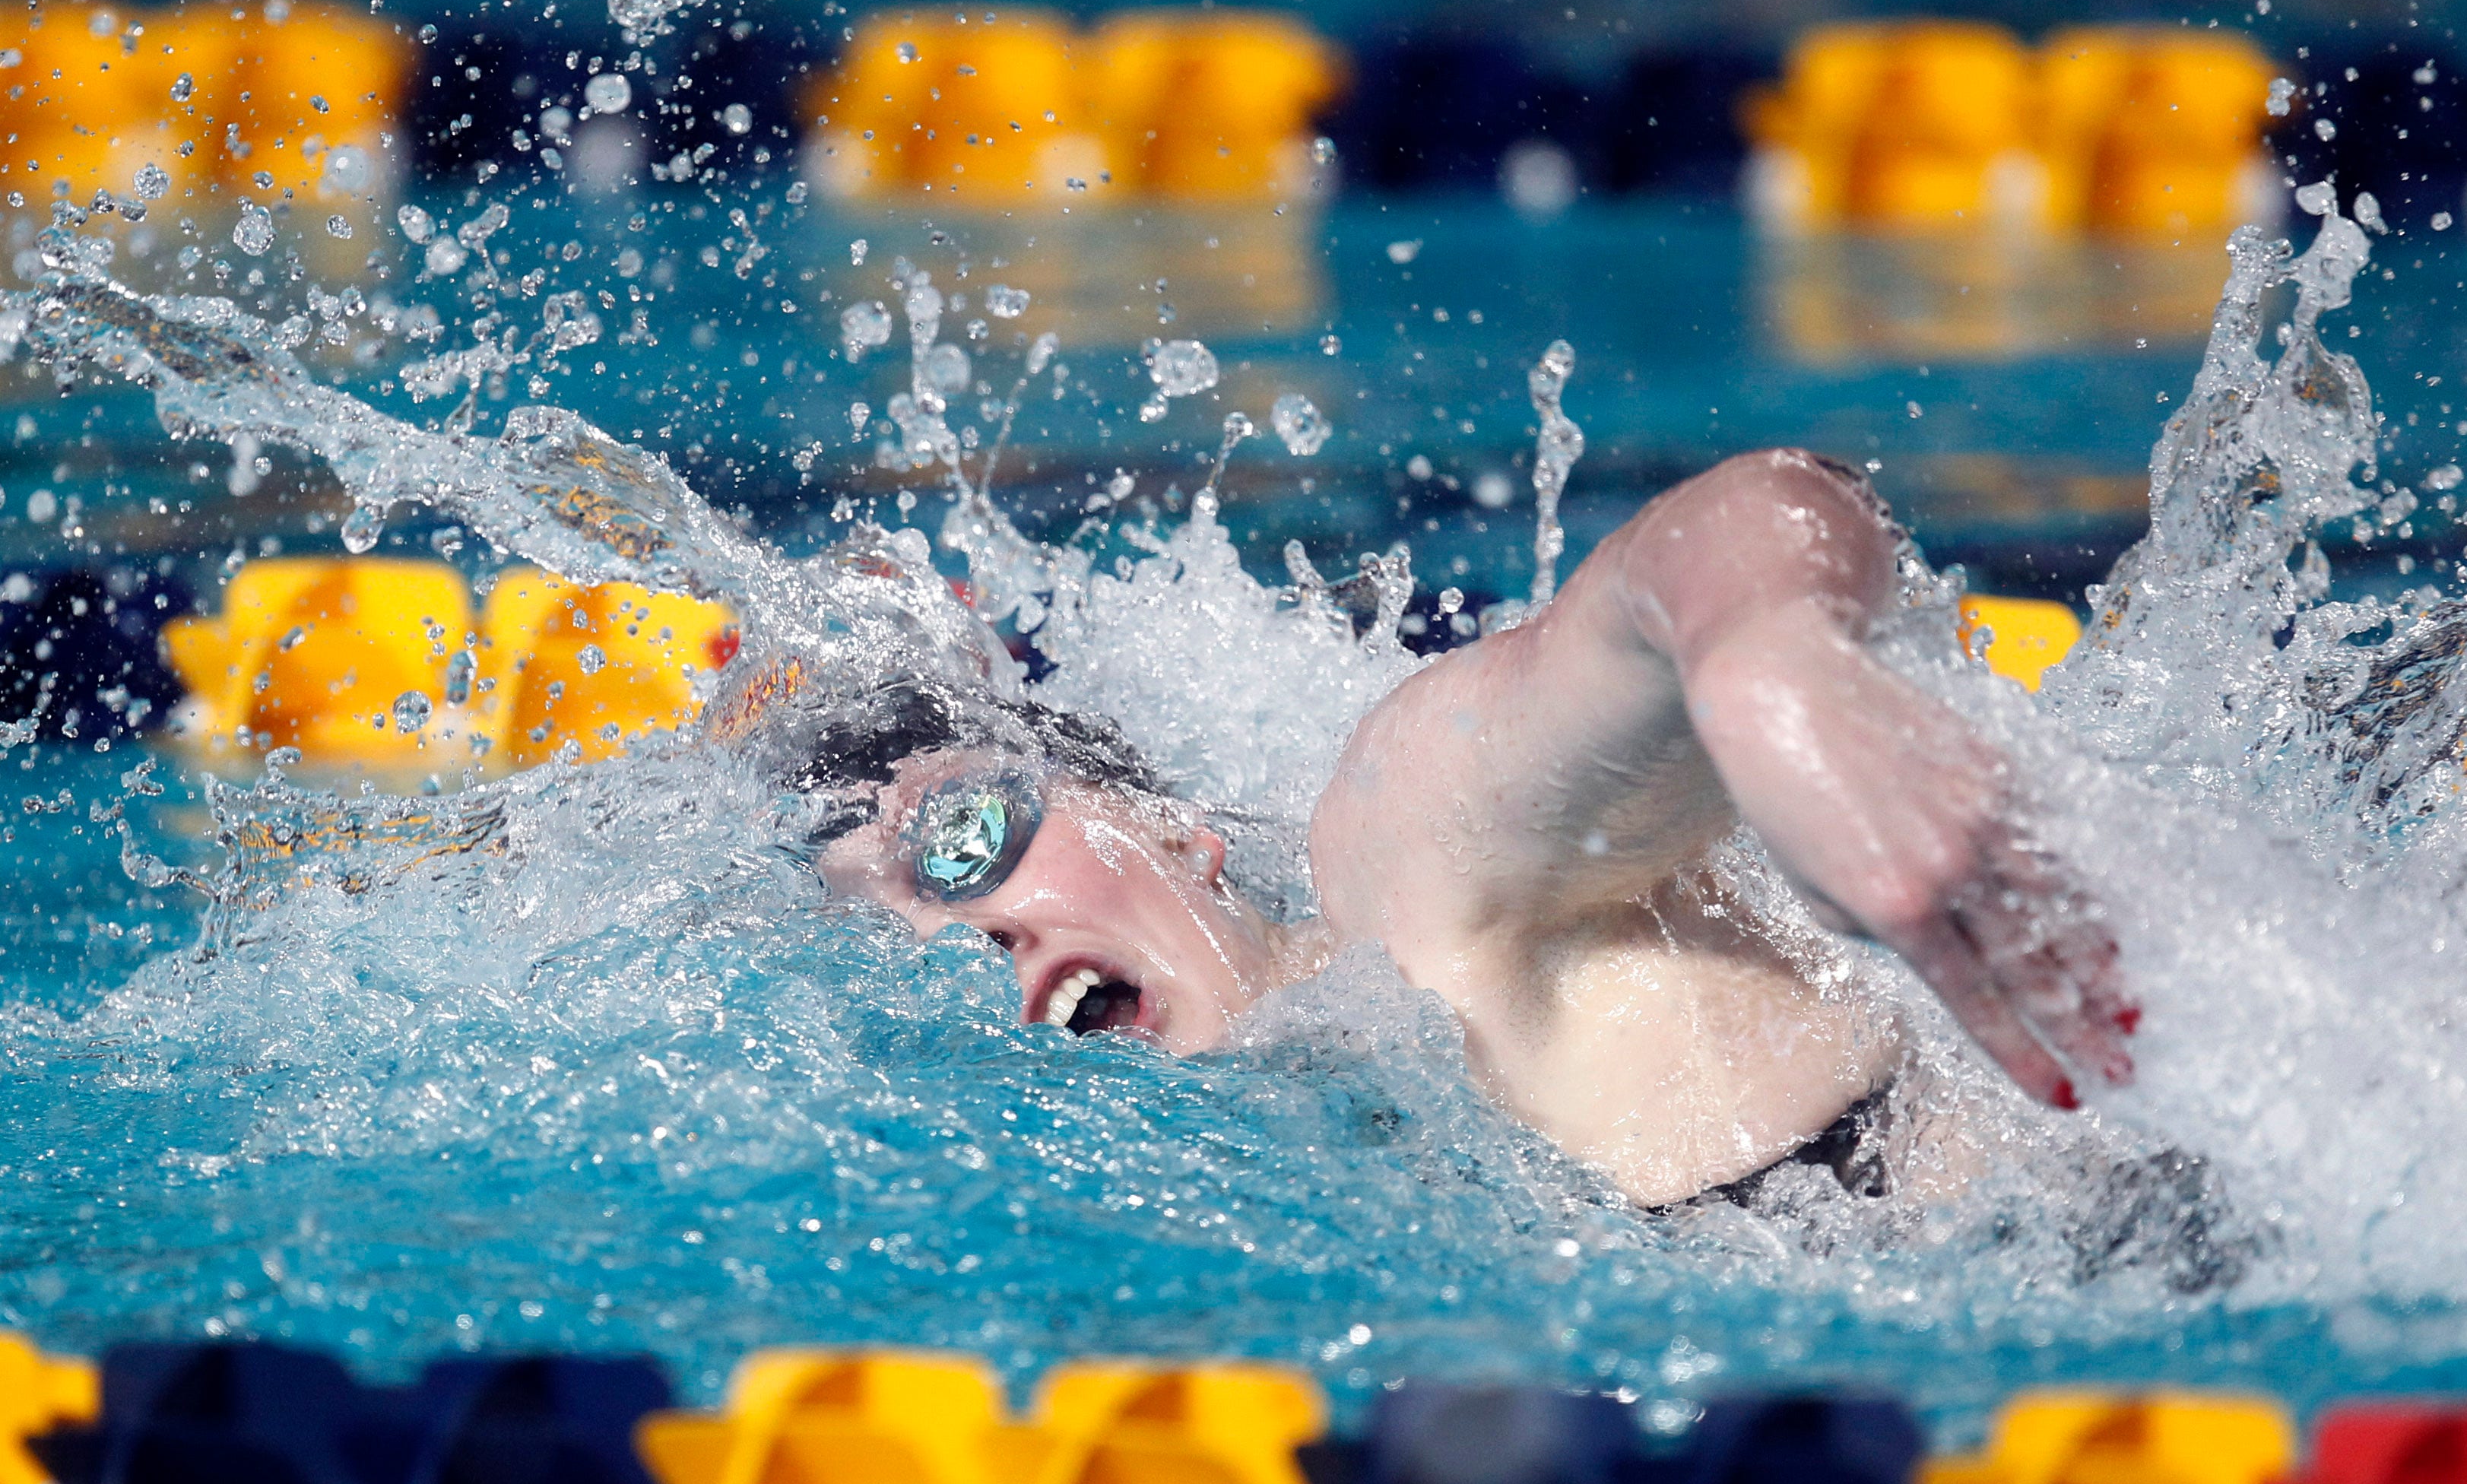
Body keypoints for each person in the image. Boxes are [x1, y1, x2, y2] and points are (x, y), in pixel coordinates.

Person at [807, 449, 2139, 1212]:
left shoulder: (1411, 890)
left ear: (1168, 827)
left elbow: (1753, 521)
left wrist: (1769, 666)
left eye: (964, 836)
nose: (967, 937)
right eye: (899, 948)